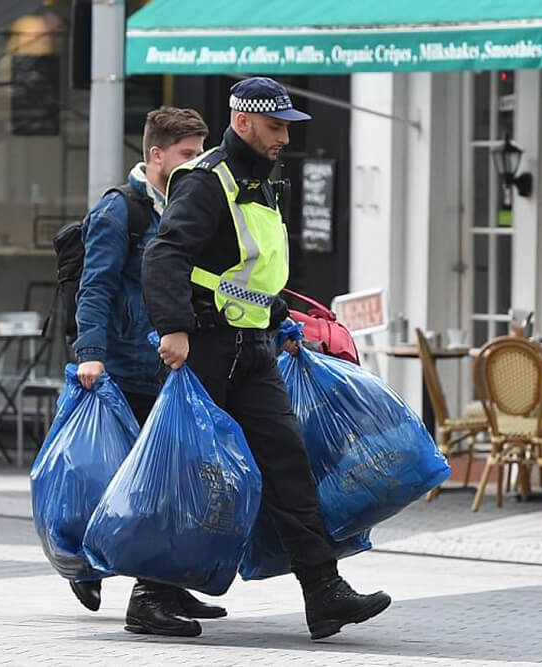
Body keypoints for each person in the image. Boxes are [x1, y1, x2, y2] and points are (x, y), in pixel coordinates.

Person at [142, 77, 391, 640]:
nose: (285, 137)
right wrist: (174, 328)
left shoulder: (261, 181)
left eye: (287, 127)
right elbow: (164, 255)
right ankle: (150, 595)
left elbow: (248, 276)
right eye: (276, 126)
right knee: (189, 475)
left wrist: (281, 323)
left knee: (288, 465)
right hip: (201, 348)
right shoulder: (208, 182)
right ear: (243, 122)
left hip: (251, 348)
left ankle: (324, 593)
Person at [70, 106, 224, 637]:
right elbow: (96, 287)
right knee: (142, 483)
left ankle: (163, 584)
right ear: (156, 155)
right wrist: (90, 353)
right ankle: (125, 582)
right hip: (126, 367)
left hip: (170, 366)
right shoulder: (122, 211)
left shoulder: (185, 206)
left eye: (201, 154)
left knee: (169, 478)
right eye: (187, 155)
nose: (196, 163)